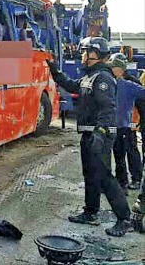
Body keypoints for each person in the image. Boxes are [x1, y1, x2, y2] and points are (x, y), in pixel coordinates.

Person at [46, 37, 132, 236]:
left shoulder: (102, 78)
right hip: (89, 133)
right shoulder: (90, 77)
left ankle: (124, 219)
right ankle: (90, 212)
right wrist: (55, 71)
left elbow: (108, 108)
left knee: (104, 177)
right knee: (90, 174)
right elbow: (71, 85)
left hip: (99, 134)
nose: (82, 55)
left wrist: (100, 133)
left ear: (95, 54)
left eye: (85, 52)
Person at [108, 55, 144, 192]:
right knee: (118, 156)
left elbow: (141, 100)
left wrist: (140, 121)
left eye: (113, 68)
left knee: (131, 152)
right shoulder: (109, 83)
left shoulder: (129, 84)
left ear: (120, 69)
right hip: (114, 126)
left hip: (128, 125)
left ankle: (136, 179)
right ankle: (121, 182)